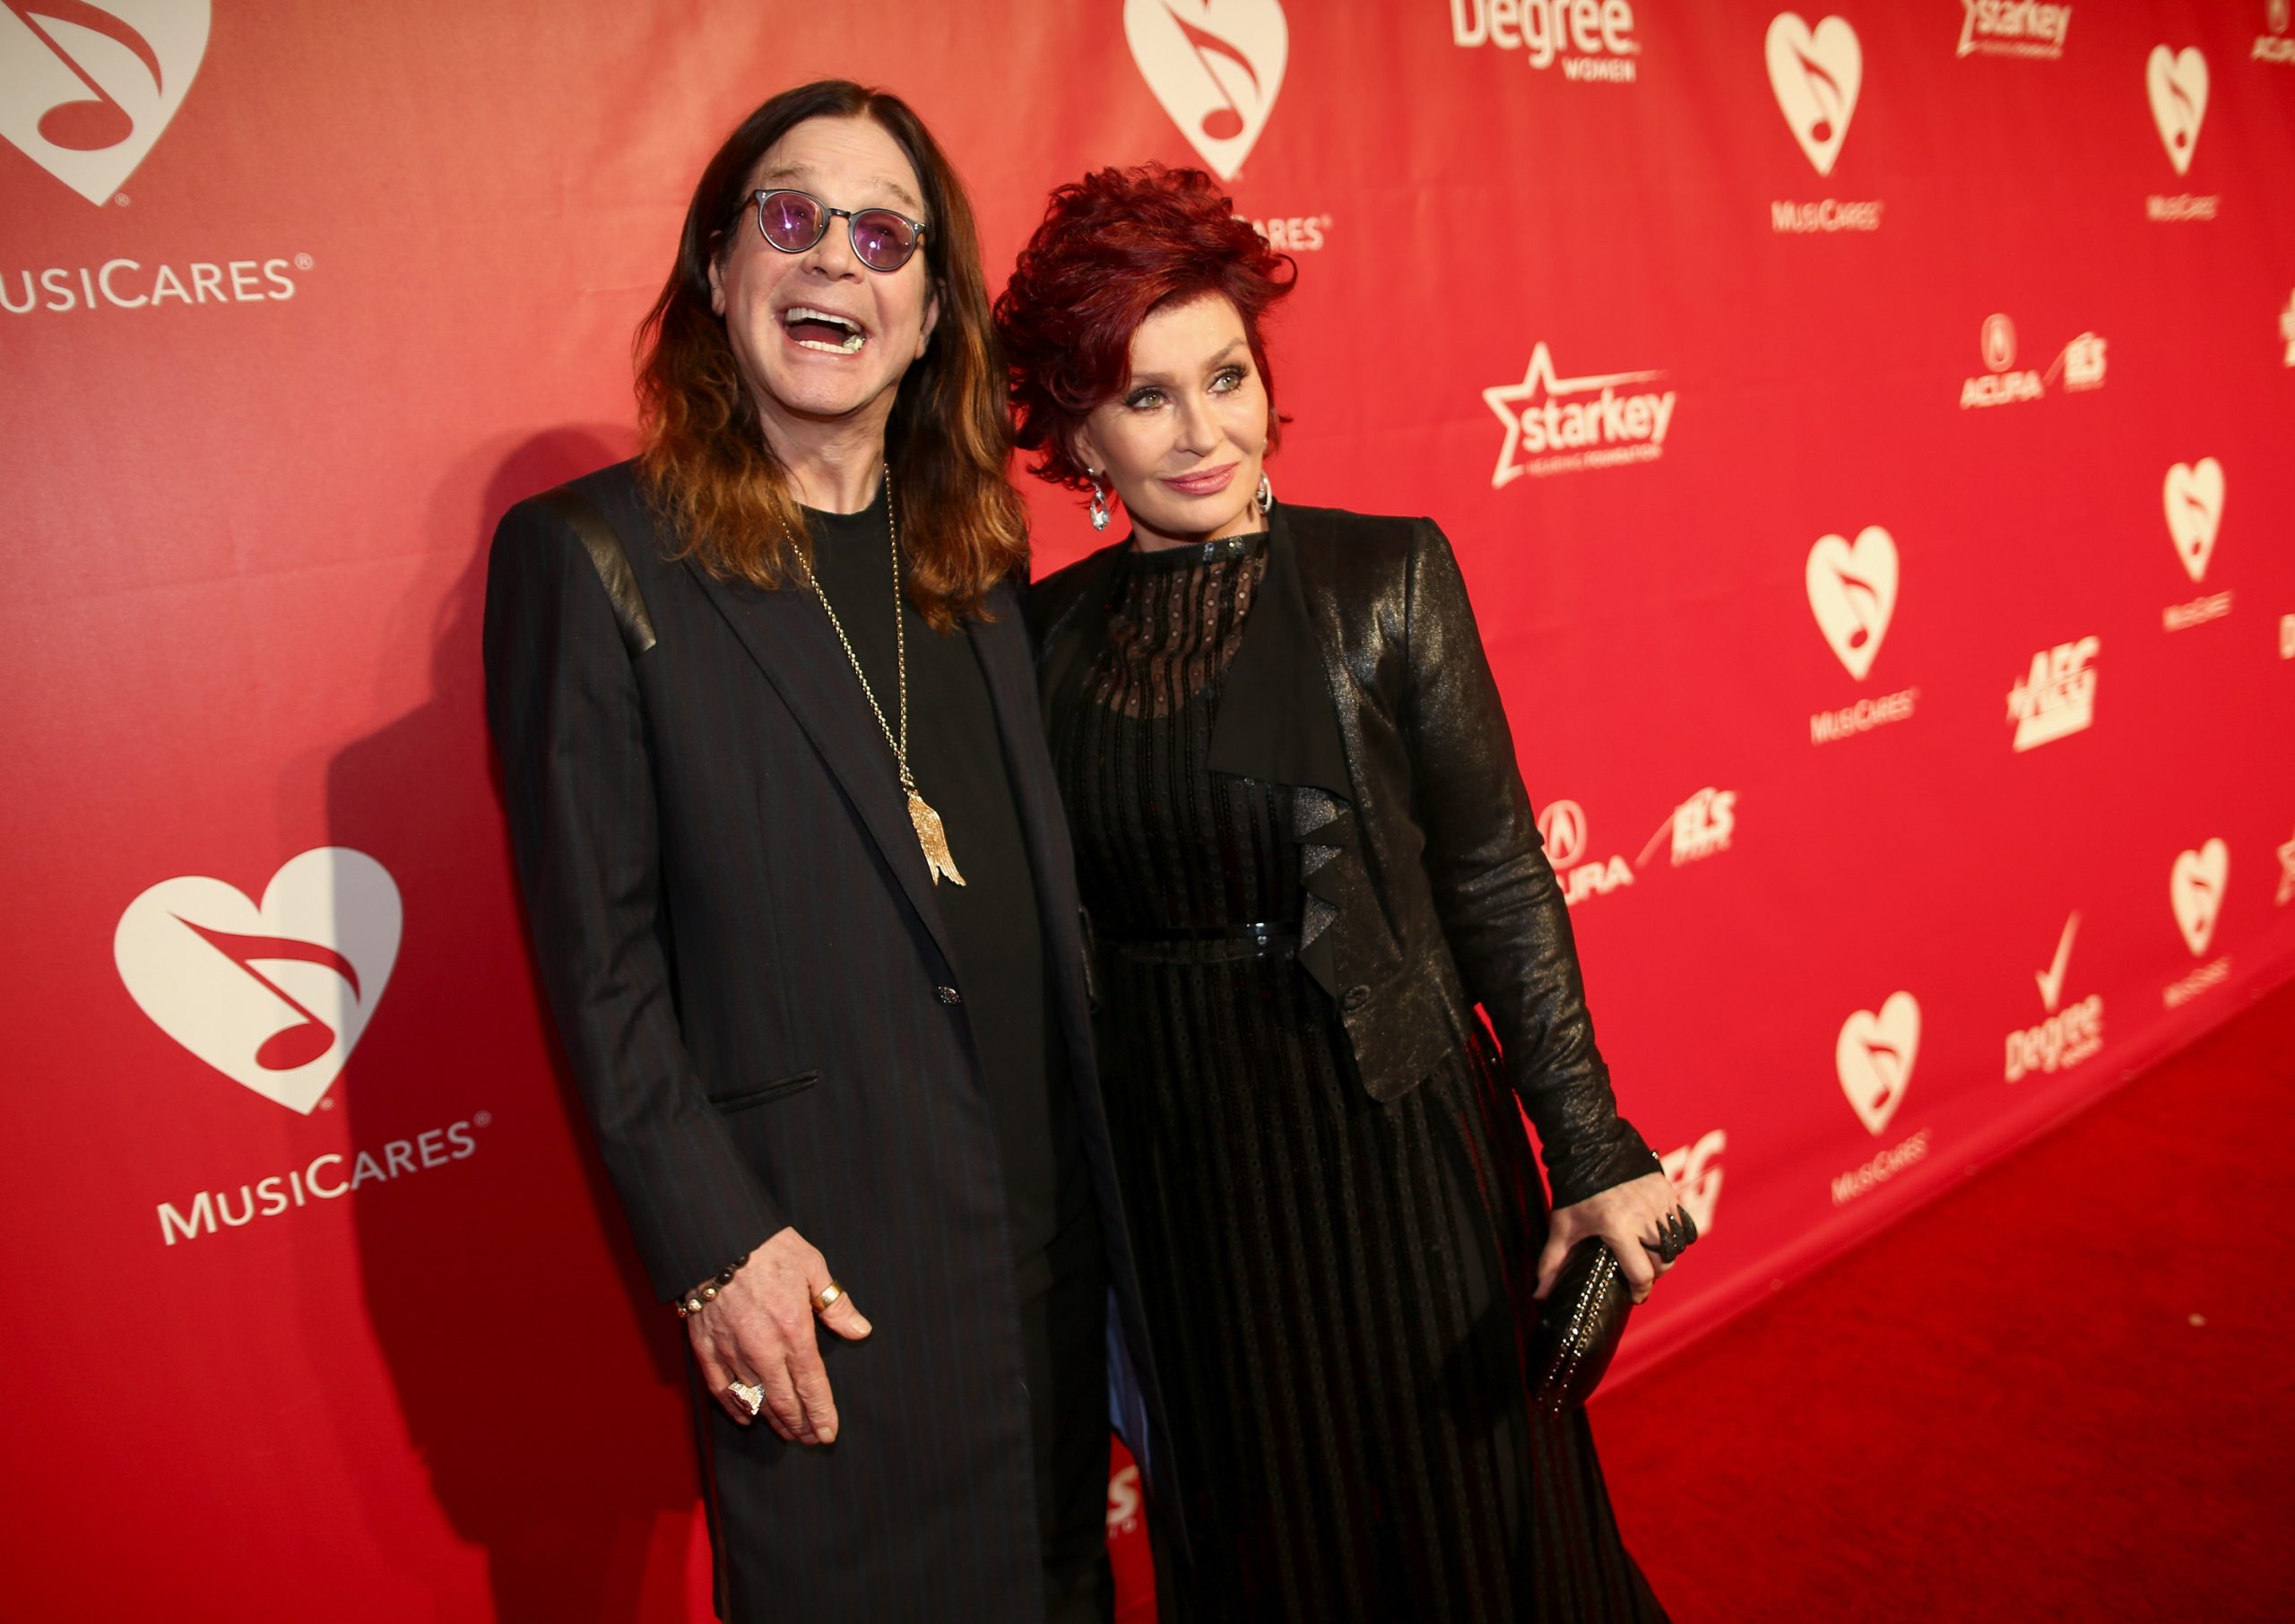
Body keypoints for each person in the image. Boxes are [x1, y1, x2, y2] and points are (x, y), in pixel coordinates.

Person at [483, 84, 1173, 1623]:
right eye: (790, 219)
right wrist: (718, 1251)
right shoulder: (592, 560)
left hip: (1048, 1246)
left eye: (883, 236)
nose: (833, 264)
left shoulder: (975, 565)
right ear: (718, 267)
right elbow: (600, 974)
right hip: (824, 1272)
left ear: (930, 312)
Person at [997, 164, 1689, 1621]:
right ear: (1077, 435)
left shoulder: (1386, 579)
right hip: (1184, 1177)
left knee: (1472, 1526)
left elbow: (1497, 871)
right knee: (1264, 1540)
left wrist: (1590, 1140)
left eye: (1226, 376)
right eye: (1146, 397)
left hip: (1389, 1136)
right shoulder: (1039, 640)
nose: (1203, 433)